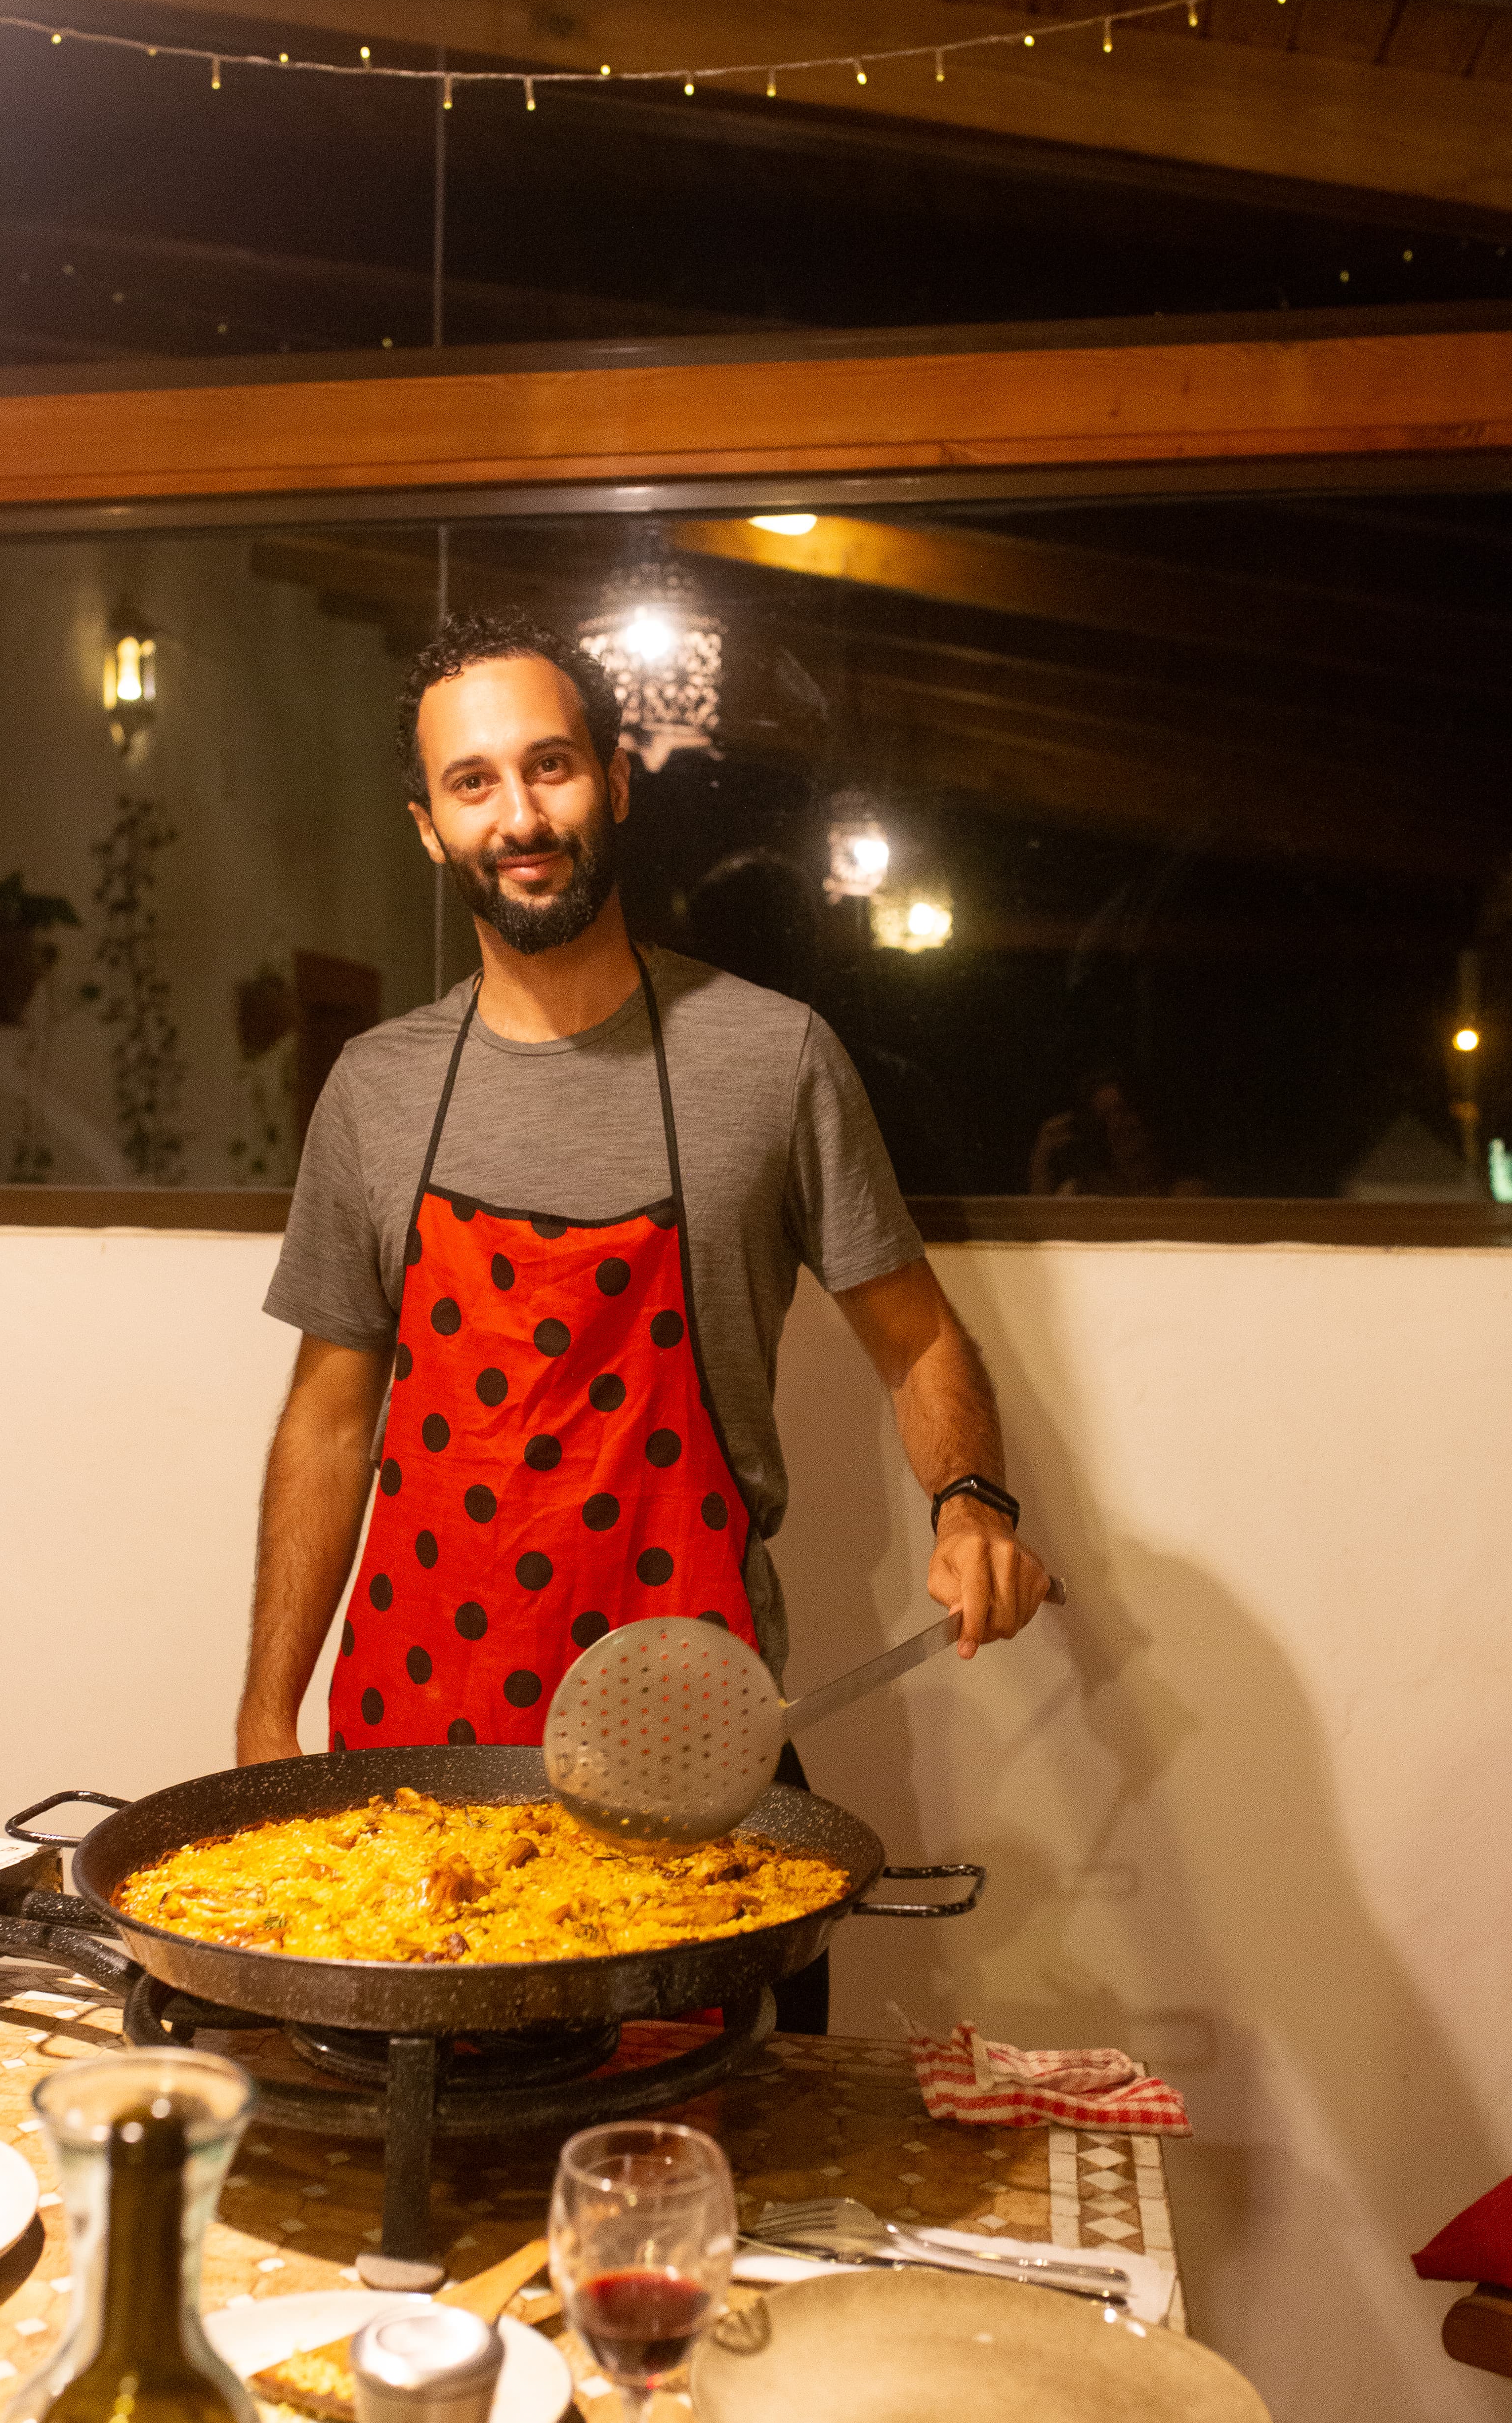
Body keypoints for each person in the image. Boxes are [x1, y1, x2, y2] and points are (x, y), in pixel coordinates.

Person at [240, 609, 1054, 2028]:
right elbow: (328, 1414)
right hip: (411, 1776)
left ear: (616, 780)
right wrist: (266, 1719)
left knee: (690, 2212)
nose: (518, 815)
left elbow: (920, 1340)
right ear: (429, 826)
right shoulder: (375, 1090)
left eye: (548, 767)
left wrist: (973, 1501)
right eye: (474, 783)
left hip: (693, 1769)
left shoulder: (770, 1058)